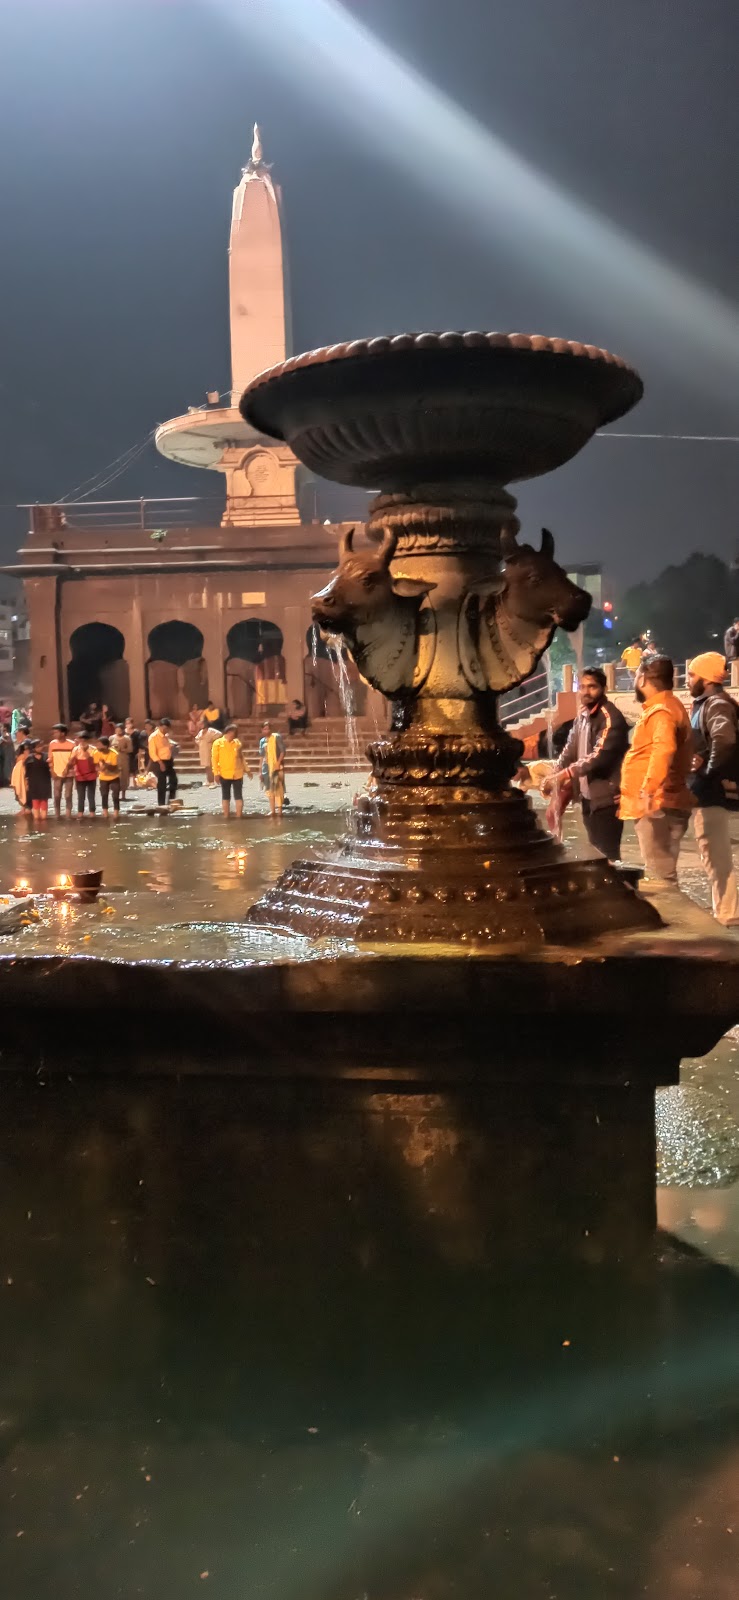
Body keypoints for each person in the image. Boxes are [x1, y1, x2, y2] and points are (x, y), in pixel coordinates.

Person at [619, 656, 693, 885]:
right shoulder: (669, 706)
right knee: (662, 871)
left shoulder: (661, 711)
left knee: (661, 877)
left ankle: (672, 920)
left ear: (642, 678)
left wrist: (648, 790)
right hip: (664, 800)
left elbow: (664, 749)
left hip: (659, 803)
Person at [542, 667, 629, 860]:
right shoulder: (582, 716)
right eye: (582, 687)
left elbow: (599, 756)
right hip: (588, 798)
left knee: (608, 856)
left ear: (604, 688)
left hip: (607, 797)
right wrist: (555, 773)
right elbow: (569, 750)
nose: (586, 692)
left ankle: (616, 889)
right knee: (596, 854)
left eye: (592, 687)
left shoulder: (610, 717)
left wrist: (565, 775)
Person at [686, 651, 739, 926]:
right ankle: (726, 911)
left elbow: (725, 740)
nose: (687, 679)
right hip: (706, 793)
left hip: (712, 793)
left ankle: (728, 915)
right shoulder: (708, 704)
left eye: (692, 674)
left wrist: (707, 770)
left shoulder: (716, 704)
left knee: (716, 856)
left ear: (706, 678)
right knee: (713, 856)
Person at [211, 723, 252, 818]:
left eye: (235, 734)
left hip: (237, 773)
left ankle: (239, 816)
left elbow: (241, 757)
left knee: (238, 796)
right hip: (224, 773)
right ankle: (226, 816)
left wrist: (247, 770)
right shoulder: (217, 743)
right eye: (232, 733)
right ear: (228, 732)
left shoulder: (237, 743)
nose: (233, 736)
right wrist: (216, 773)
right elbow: (214, 759)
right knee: (226, 796)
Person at [67, 731, 98, 817]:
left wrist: (86, 753)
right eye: (80, 739)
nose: (82, 742)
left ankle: (92, 813)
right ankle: (80, 813)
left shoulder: (93, 749)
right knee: (81, 796)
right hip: (80, 775)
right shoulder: (75, 749)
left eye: (84, 740)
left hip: (91, 774)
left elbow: (95, 762)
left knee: (91, 795)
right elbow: (71, 762)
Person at [48, 723, 76, 818]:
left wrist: (67, 769)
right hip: (56, 773)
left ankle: (68, 814)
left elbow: (73, 759)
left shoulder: (72, 744)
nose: (54, 734)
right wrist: (52, 770)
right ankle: (57, 814)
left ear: (63, 733)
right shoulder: (52, 744)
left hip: (69, 773)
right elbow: (50, 758)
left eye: (56, 732)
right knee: (56, 795)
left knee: (68, 795)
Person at [148, 717, 178, 806]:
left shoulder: (166, 735)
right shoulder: (153, 737)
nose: (165, 730)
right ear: (160, 727)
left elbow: (168, 745)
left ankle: (171, 801)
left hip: (168, 760)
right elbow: (152, 753)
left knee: (174, 781)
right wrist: (160, 763)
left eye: (167, 729)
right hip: (159, 762)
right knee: (162, 783)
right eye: (164, 728)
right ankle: (161, 804)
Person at [259, 720, 285, 818]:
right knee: (269, 789)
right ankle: (272, 810)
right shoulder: (262, 741)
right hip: (266, 767)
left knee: (278, 788)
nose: (267, 730)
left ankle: (280, 810)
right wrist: (260, 771)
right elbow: (262, 757)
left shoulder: (276, 737)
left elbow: (282, 751)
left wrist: (278, 763)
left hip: (276, 766)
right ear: (262, 730)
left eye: (268, 728)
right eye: (265, 729)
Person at [23, 739, 52, 819]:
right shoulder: (29, 758)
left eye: (41, 746)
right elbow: (26, 772)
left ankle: (43, 821)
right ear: (33, 748)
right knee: (35, 802)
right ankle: (36, 821)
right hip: (33, 783)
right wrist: (26, 783)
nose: (41, 748)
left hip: (45, 783)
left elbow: (50, 768)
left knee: (44, 802)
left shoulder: (46, 756)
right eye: (38, 746)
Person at [94, 735, 121, 818]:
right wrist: (99, 769)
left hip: (114, 777)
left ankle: (116, 812)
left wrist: (105, 764)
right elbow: (96, 765)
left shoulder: (114, 754)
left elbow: (113, 768)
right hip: (103, 777)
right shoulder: (96, 753)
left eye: (99, 745)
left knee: (115, 795)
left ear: (105, 746)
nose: (97, 746)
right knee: (104, 794)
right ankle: (105, 812)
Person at [111, 723, 133, 798]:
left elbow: (130, 749)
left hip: (123, 759)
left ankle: (123, 794)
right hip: (114, 759)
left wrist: (123, 749)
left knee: (124, 776)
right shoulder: (111, 738)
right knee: (114, 776)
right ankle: (115, 794)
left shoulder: (127, 738)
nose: (118, 732)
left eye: (119, 730)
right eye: (116, 730)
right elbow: (107, 748)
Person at [196, 716, 219, 786]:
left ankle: (212, 781)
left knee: (210, 765)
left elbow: (219, 734)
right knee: (206, 766)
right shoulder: (200, 732)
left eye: (202, 723)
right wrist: (199, 743)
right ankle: (208, 780)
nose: (201, 724)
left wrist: (212, 741)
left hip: (209, 749)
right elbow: (197, 739)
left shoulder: (211, 730)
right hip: (203, 750)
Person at [10, 739, 31, 815]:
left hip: (25, 776)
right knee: (21, 791)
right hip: (19, 776)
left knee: (25, 791)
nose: (26, 750)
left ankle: (26, 808)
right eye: (25, 749)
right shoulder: (21, 756)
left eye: (28, 748)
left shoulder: (28, 756)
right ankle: (23, 808)